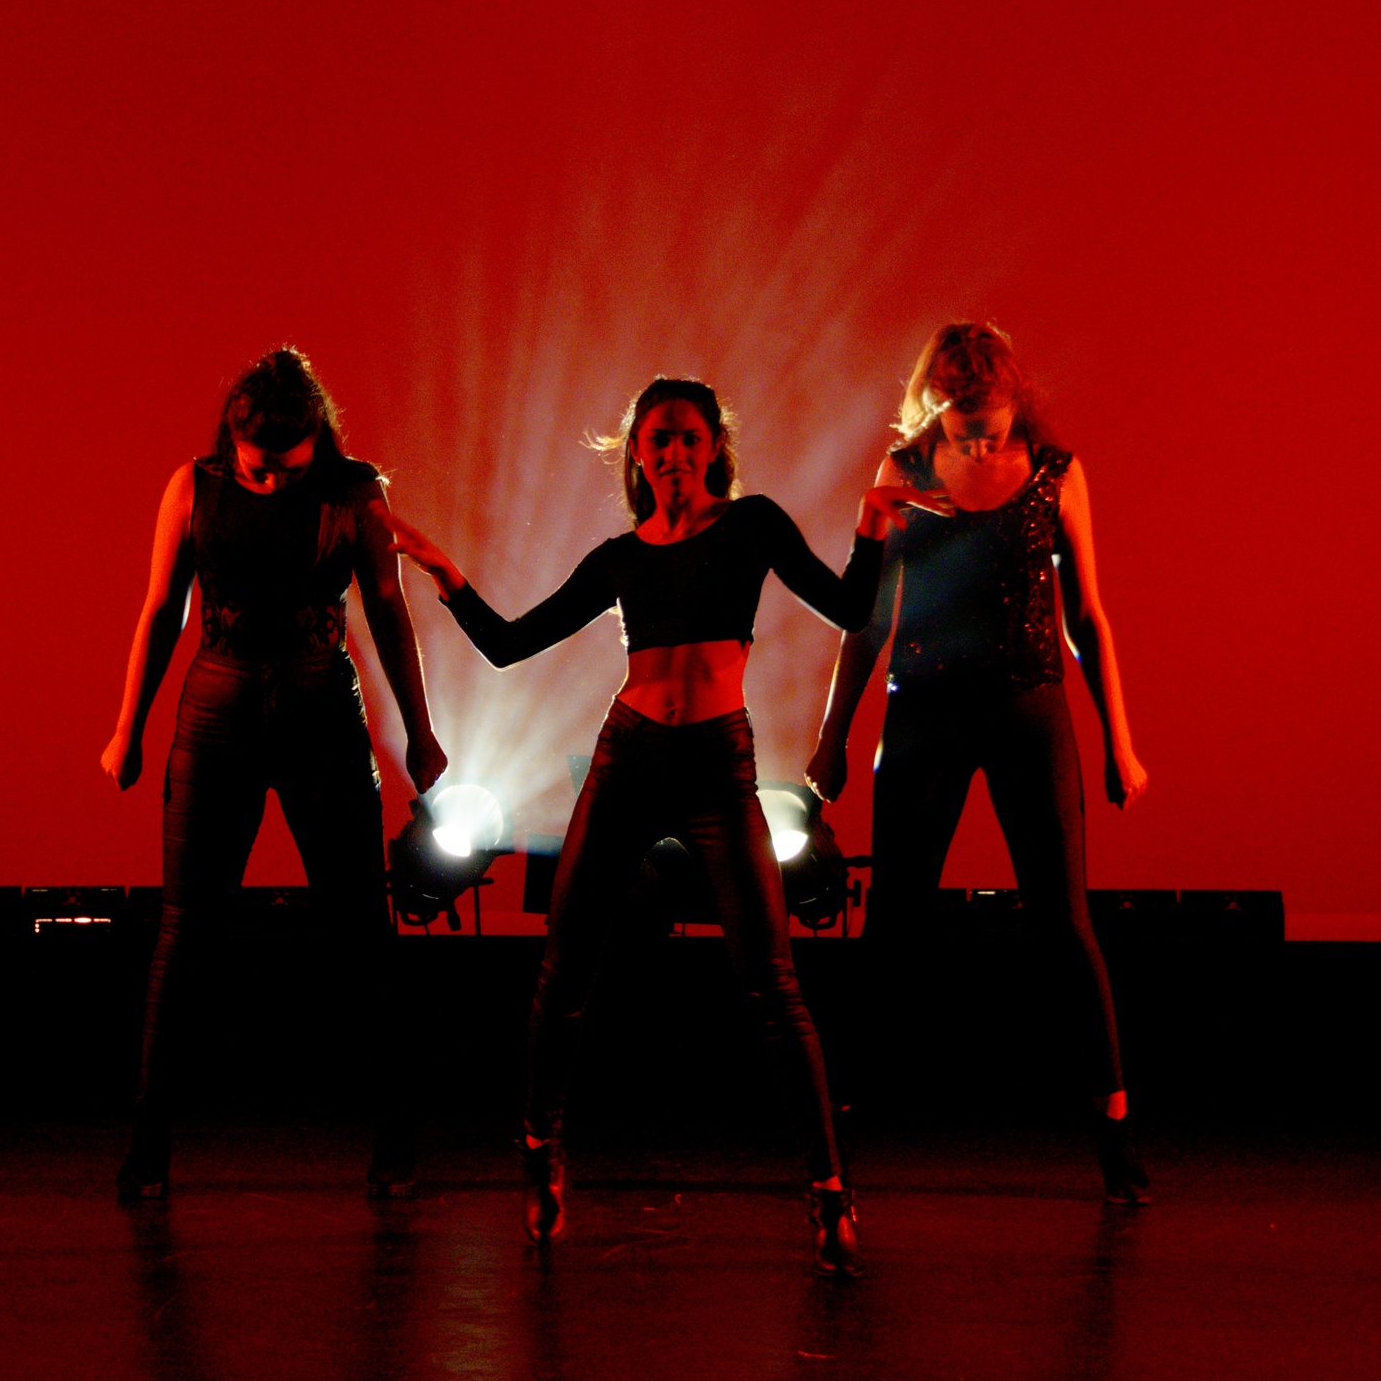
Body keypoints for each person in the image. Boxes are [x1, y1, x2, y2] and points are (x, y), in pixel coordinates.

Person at [386, 376, 942, 1276]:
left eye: (689, 437)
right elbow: (509, 643)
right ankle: (540, 1155)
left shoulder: (753, 525)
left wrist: (873, 526)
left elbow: (848, 609)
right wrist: (444, 573)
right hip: (628, 762)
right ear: (637, 455)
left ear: (714, 447)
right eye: (659, 439)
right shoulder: (619, 559)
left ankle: (829, 1191)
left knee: (773, 986)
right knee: (564, 971)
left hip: (718, 767)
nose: (675, 452)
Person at [806, 322, 1153, 1202]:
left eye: (991, 432)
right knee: (892, 925)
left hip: (1028, 708)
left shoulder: (1057, 474)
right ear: (935, 409)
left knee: (1064, 922)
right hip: (925, 711)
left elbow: (1087, 619)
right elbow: (867, 620)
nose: (979, 448)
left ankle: (1114, 1126)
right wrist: (833, 736)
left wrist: (1119, 740)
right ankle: (834, 1131)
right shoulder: (903, 472)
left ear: (1013, 407)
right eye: (964, 434)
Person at [101, 347, 447, 1202]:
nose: (271, 484)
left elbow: (389, 610)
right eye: (259, 469)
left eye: (289, 471)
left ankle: (395, 1142)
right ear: (234, 440)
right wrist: (127, 730)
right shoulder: (193, 486)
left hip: (320, 711)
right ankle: (148, 1147)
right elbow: (161, 610)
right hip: (216, 712)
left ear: (317, 440)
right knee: (186, 930)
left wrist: (420, 733)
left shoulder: (354, 492)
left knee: (360, 929)